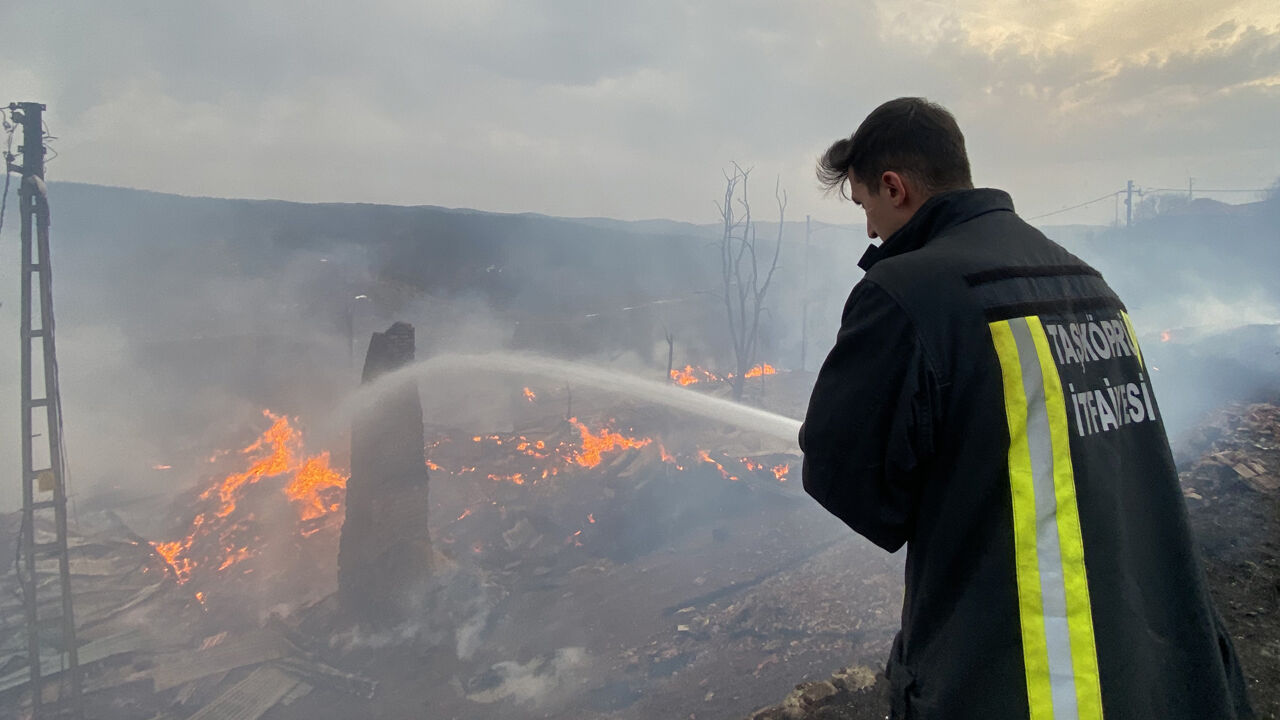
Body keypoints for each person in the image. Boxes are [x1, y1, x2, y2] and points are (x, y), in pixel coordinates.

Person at [799, 97, 1253, 719]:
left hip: (1017, 679)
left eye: (865, 208)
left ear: (893, 187)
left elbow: (850, 481)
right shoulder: (1089, 286)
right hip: (1156, 672)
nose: (871, 231)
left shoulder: (906, 293)